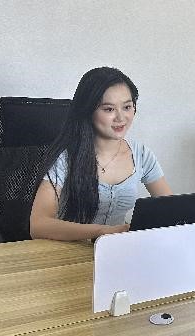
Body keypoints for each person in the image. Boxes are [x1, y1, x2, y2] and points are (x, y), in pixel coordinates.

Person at [30, 67, 171, 241]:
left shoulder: (141, 155)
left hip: (118, 249)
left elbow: (171, 209)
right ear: (88, 111)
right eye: (109, 109)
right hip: (69, 248)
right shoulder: (66, 157)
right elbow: (38, 225)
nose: (121, 118)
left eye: (127, 107)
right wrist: (101, 232)